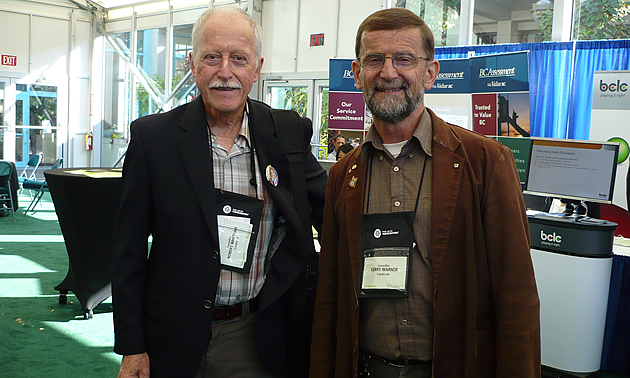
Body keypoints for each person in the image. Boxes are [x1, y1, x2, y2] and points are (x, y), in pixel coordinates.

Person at [310, 8, 540, 378]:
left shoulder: (485, 163)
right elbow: (330, 299)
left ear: (430, 73)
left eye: (404, 59)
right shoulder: (343, 175)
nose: (388, 73)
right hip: (367, 368)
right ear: (356, 74)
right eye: (374, 60)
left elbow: (517, 298)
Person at [112, 6, 326, 378]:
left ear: (256, 69)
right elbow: (128, 249)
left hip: (255, 333)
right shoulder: (154, 139)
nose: (225, 72)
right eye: (213, 57)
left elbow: (332, 210)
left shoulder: (287, 133)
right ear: (193, 64)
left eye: (238, 59)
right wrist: (133, 346)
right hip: (172, 335)